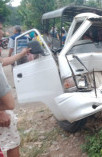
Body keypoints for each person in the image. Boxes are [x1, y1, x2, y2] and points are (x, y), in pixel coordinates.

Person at [0, 18, 30, 157]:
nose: (2, 32)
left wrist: (21, 54)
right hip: (2, 114)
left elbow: (4, 61)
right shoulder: (22, 37)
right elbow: (9, 104)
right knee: (12, 144)